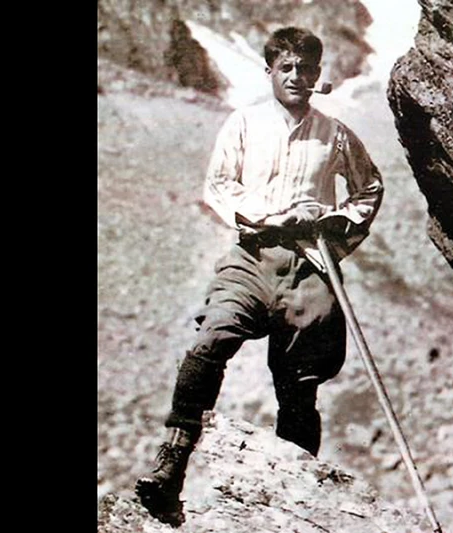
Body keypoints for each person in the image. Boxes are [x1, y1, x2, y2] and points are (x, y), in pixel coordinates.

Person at [135, 26, 384, 526]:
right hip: (252, 257)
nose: (295, 76)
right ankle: (171, 466)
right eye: (286, 67)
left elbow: (370, 189)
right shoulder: (244, 123)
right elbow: (219, 185)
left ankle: (294, 498)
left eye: (305, 68)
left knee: (299, 385)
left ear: (317, 73)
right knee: (211, 339)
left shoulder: (334, 133)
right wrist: (270, 216)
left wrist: (333, 223)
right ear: (269, 70)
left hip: (309, 266)